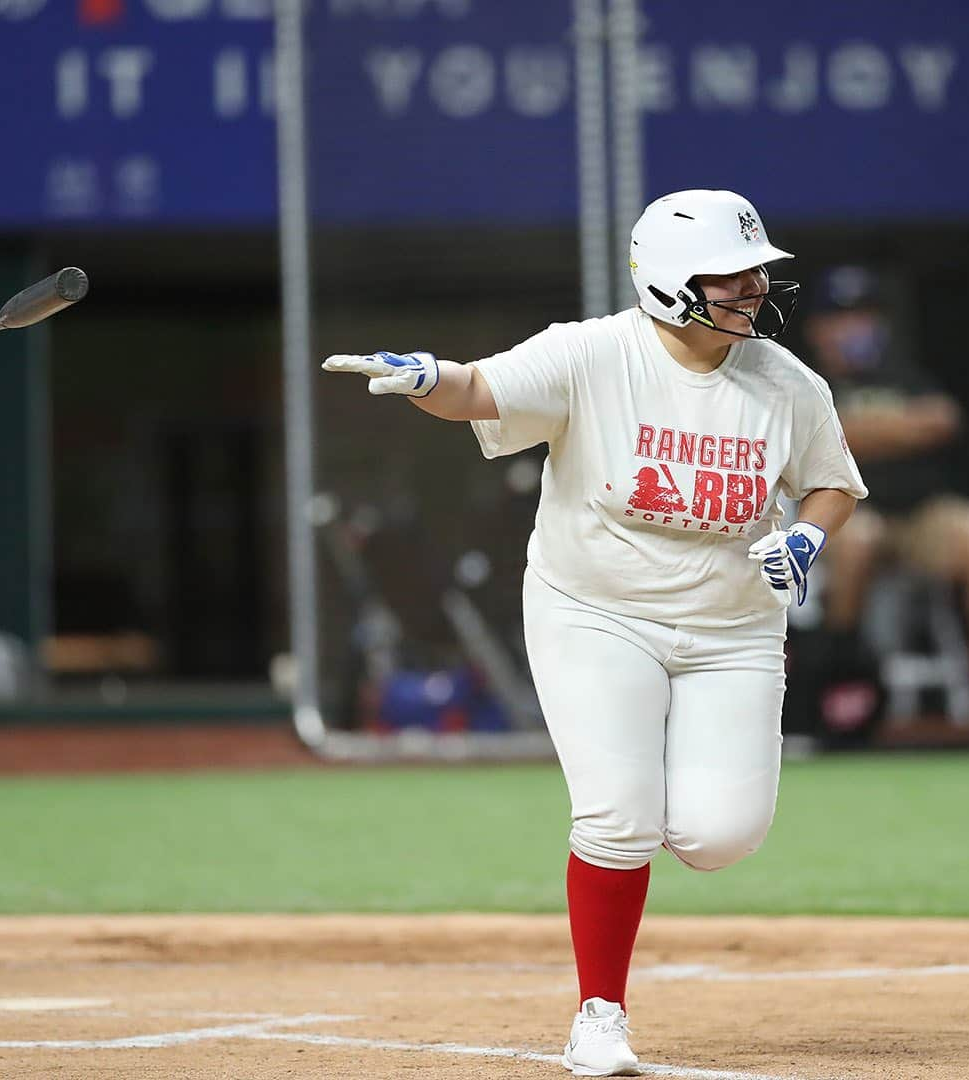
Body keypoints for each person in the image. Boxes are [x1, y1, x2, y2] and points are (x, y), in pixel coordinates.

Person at [322, 189, 867, 1077]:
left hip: (733, 628)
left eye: (756, 271)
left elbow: (831, 483)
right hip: (595, 611)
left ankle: (653, 889)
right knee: (618, 817)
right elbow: (480, 388)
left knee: (720, 836)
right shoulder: (592, 353)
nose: (755, 287)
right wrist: (428, 379)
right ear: (667, 283)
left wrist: (806, 535)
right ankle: (600, 1015)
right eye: (730, 274)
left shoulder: (789, 383)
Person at [801, 265, 969, 687]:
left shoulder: (903, 374)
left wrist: (859, 432)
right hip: (849, 516)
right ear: (818, 328)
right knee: (858, 541)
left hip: (918, 516)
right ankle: (839, 678)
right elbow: (813, 437)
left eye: (864, 316)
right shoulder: (806, 381)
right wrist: (900, 430)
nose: (855, 327)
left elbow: (943, 419)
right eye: (842, 317)